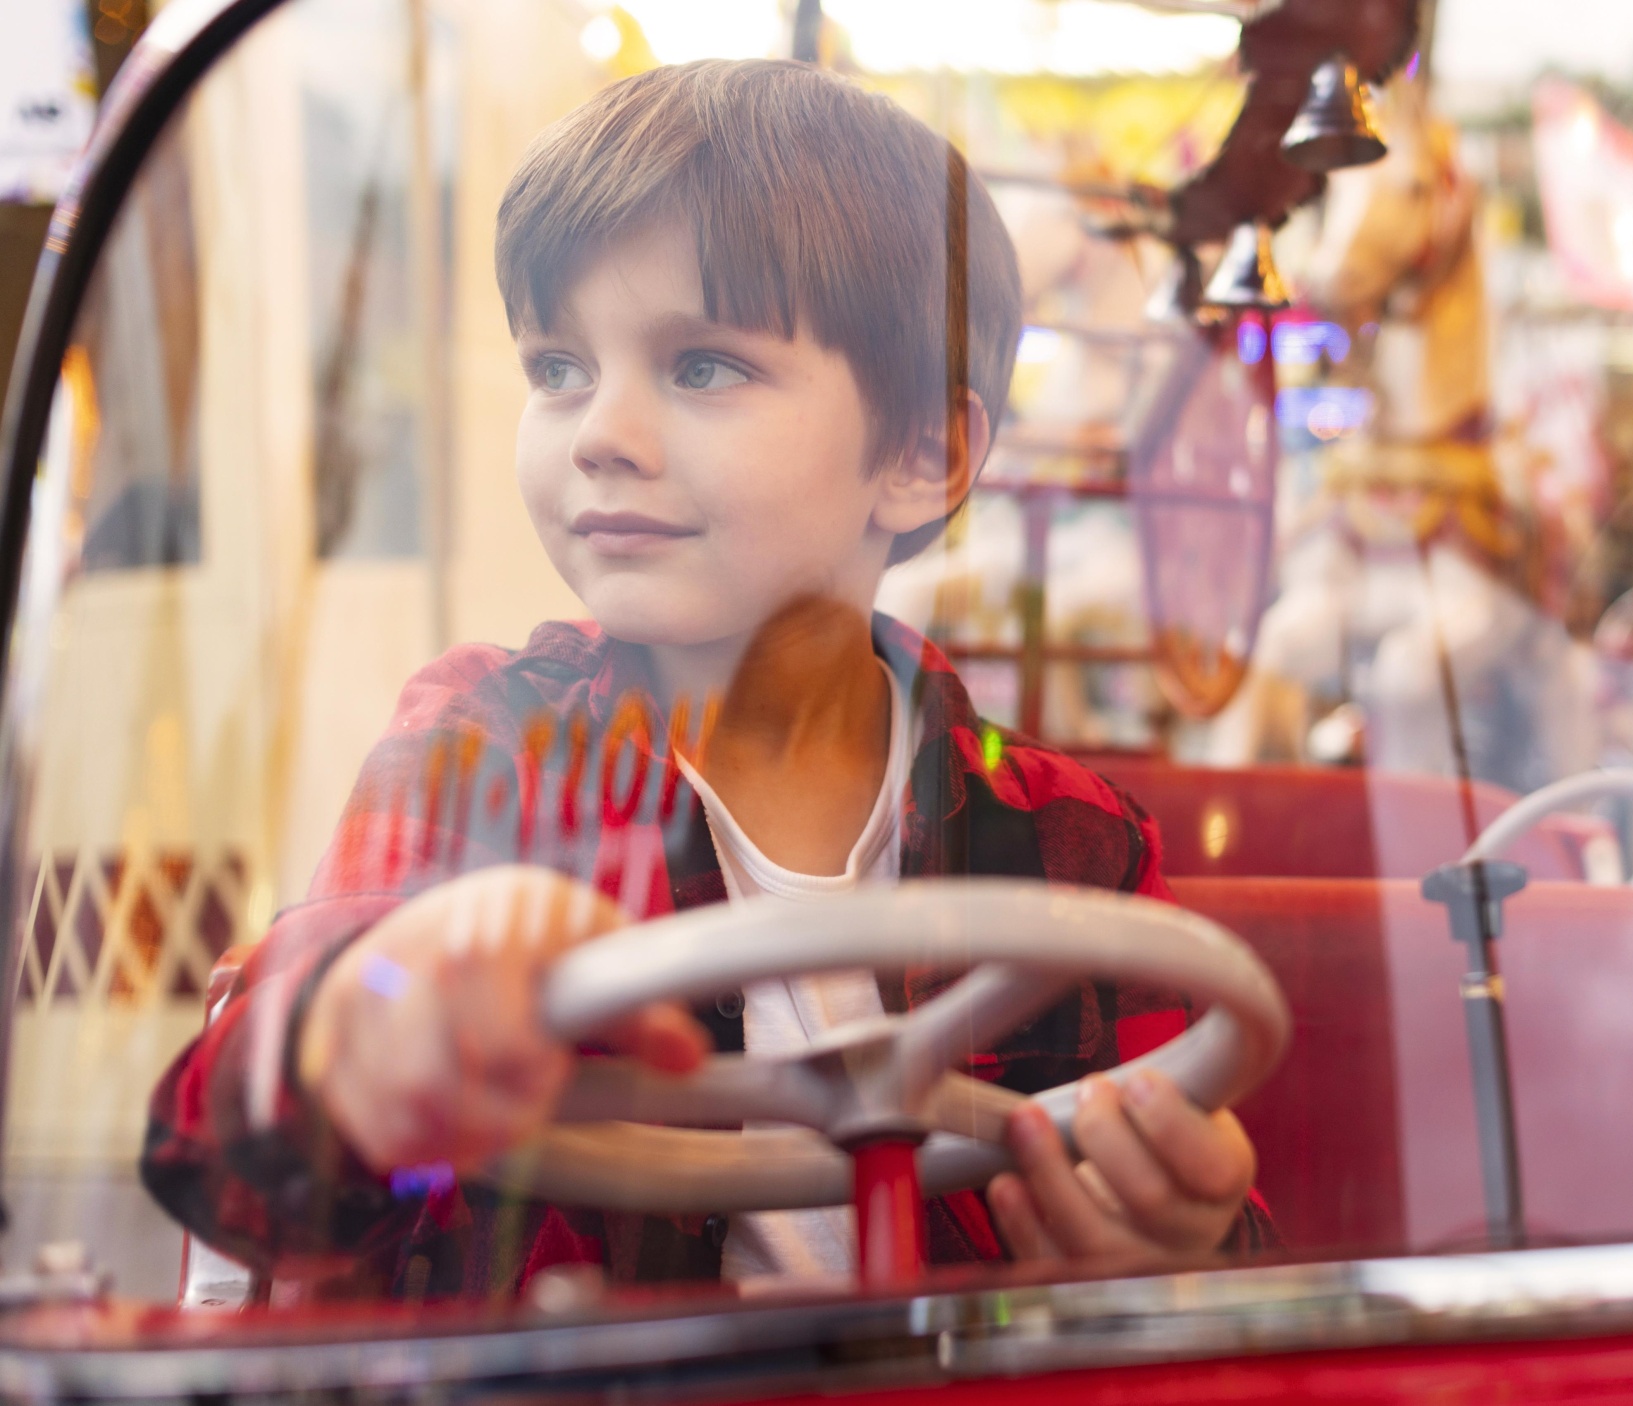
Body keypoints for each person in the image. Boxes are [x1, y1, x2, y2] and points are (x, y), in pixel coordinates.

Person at [140, 60, 1269, 1301]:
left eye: (701, 367)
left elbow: (1221, 1262)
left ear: (920, 452)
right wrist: (366, 1019)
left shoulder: (1075, 841)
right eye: (558, 367)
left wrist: (1185, 1232)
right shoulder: (484, 756)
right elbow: (232, 1152)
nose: (598, 434)